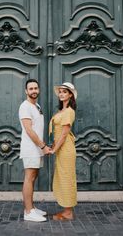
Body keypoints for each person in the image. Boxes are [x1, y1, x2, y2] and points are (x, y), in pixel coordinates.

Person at [19, 79, 51, 222]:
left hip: (36, 148)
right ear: (26, 91)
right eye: (30, 88)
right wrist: (43, 146)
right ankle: (28, 212)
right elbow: (29, 130)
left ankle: (31, 207)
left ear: (39, 90)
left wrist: (41, 146)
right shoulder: (24, 106)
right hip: (31, 148)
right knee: (29, 178)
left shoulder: (36, 106)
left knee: (33, 178)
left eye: (35, 88)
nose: (33, 91)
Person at [49, 82, 77, 220]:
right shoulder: (62, 111)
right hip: (61, 148)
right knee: (63, 177)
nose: (61, 94)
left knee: (66, 178)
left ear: (70, 94)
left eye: (64, 92)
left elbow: (65, 134)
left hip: (65, 149)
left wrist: (54, 150)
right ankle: (66, 209)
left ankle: (68, 212)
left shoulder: (69, 111)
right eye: (60, 91)